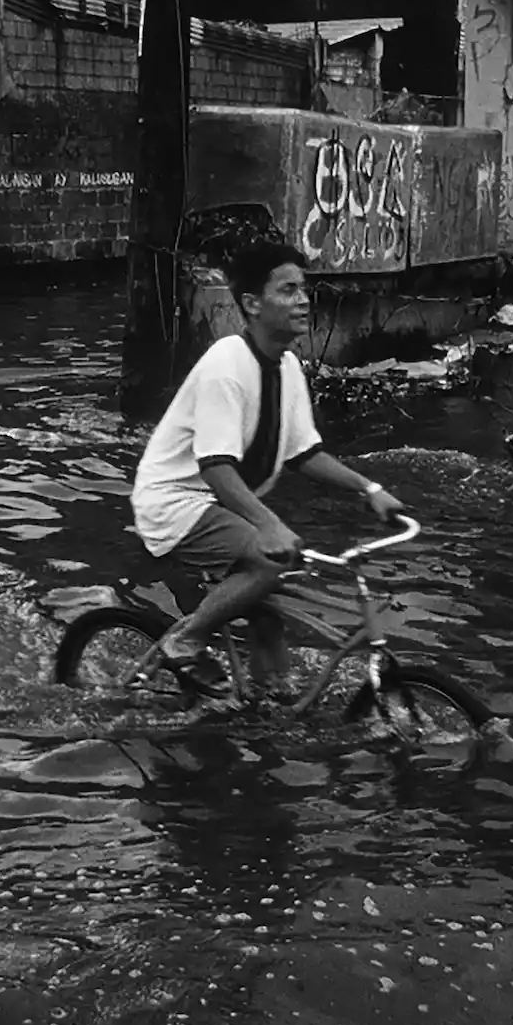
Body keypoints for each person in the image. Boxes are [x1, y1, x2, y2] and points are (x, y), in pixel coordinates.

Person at [130, 241, 405, 699]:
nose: (302, 300)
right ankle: (186, 639)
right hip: (178, 502)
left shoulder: (289, 367)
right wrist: (270, 524)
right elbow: (215, 467)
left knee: (272, 597)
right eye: (288, 290)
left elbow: (304, 454)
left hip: (222, 505)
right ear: (252, 304)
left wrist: (369, 488)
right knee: (266, 557)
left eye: (304, 289)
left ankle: (266, 706)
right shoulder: (226, 365)